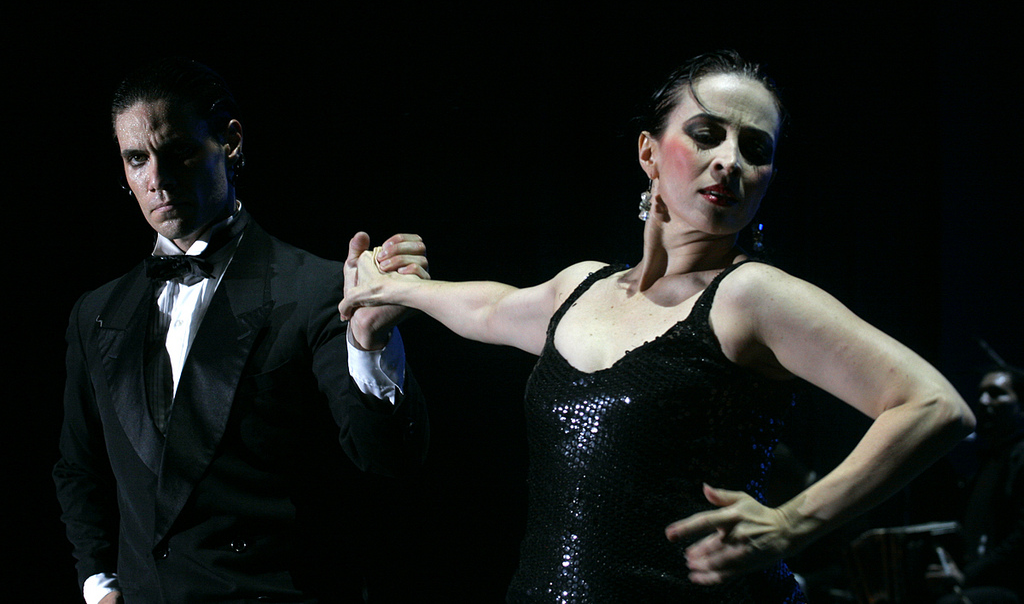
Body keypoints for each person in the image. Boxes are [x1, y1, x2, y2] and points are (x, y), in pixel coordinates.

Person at [339, 51, 976, 602]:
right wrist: (392, 288)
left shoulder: (749, 296)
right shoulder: (580, 287)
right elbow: (488, 308)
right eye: (706, 134)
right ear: (648, 152)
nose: (729, 161)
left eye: (754, 149)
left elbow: (932, 406)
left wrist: (792, 523)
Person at [53, 58, 430, 604]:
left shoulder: (317, 290)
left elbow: (390, 461)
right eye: (137, 159)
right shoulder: (95, 312)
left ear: (230, 143)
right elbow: (77, 466)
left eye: (178, 151)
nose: (157, 180)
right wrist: (97, 583)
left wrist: (369, 343)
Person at [931, 361, 1024, 603]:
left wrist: (968, 575)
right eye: (981, 393)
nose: (983, 401)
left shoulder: (1019, 458)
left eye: (996, 393)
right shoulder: (988, 462)